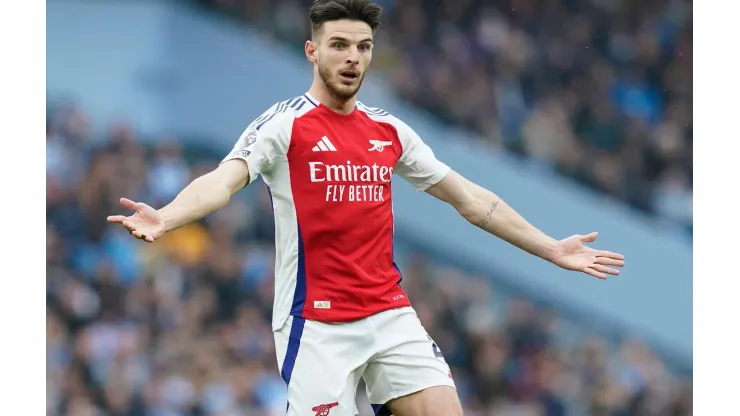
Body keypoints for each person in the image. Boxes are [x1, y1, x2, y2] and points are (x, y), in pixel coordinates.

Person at [107, 0, 625, 414]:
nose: (352, 57)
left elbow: (472, 201)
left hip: (388, 313)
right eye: (339, 45)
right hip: (316, 323)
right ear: (312, 51)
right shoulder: (284, 125)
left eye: (363, 46)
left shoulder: (389, 130)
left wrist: (551, 248)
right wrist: (169, 215)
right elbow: (224, 181)